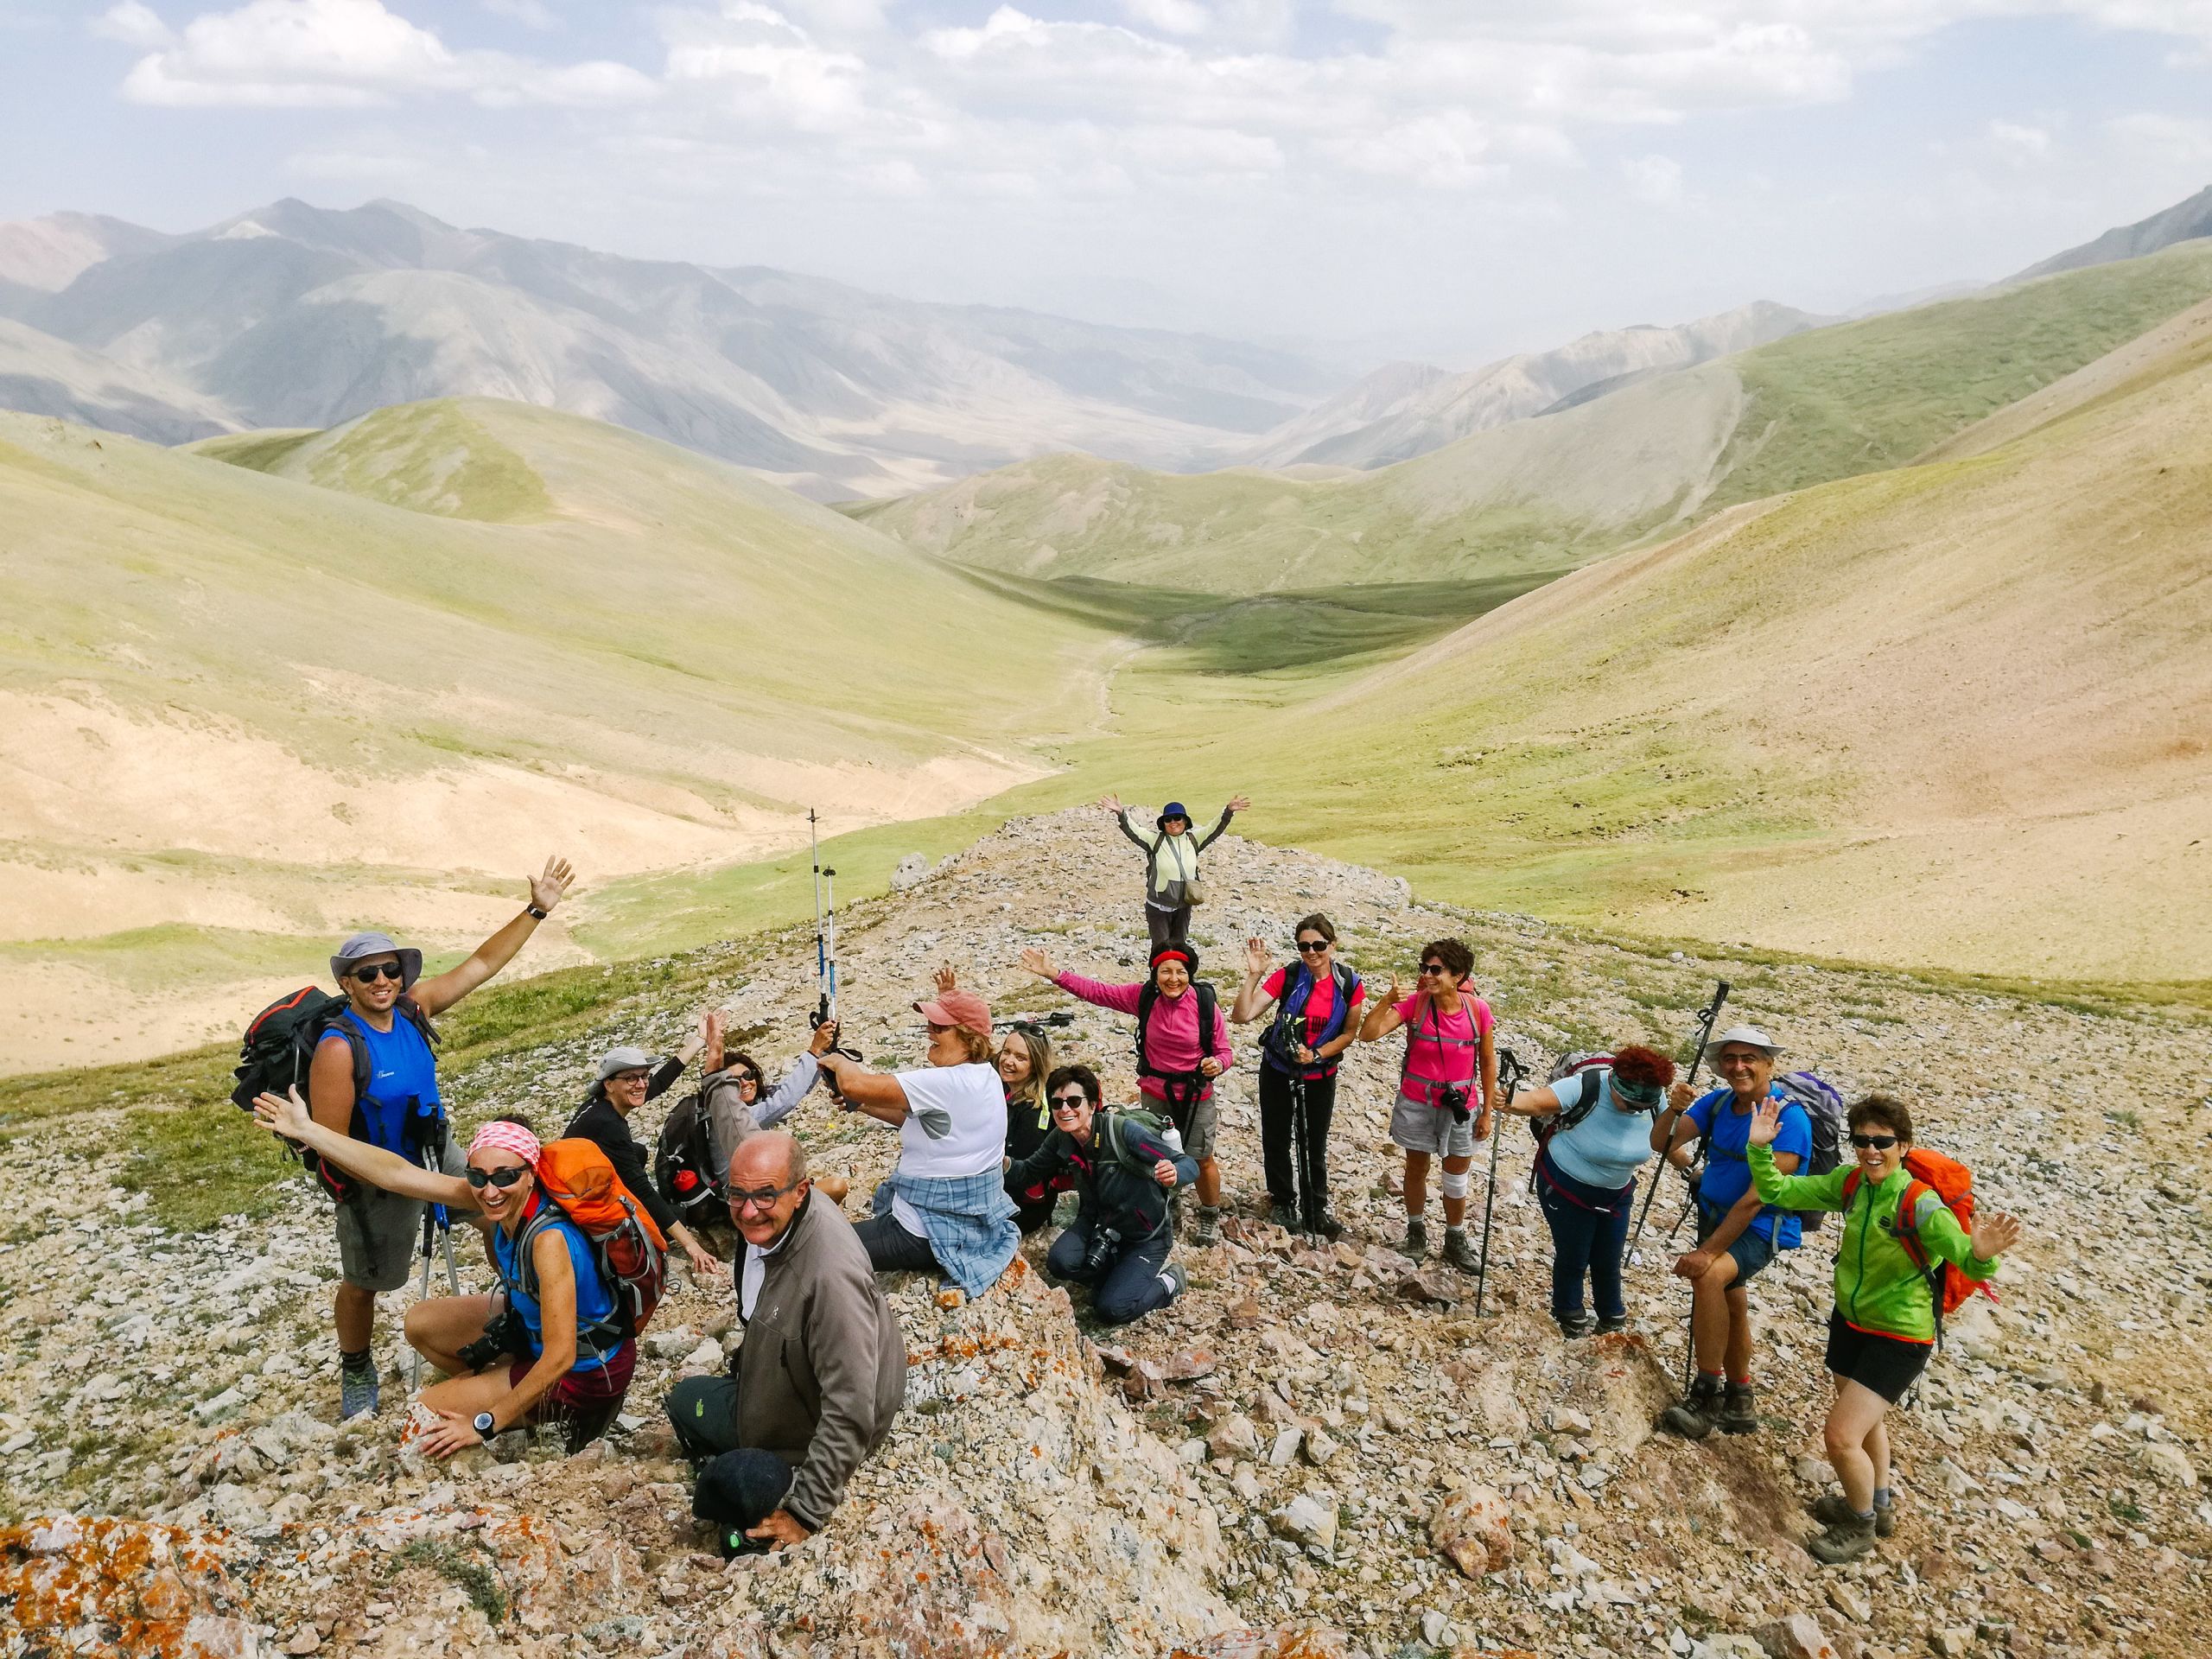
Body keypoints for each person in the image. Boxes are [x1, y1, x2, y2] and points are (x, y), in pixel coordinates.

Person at [309, 857, 575, 1420]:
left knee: (497, 1214)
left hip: (438, 1147)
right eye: (367, 974)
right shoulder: (338, 1048)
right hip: (376, 1176)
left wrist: (536, 910)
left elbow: (481, 963)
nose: (382, 981)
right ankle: (356, 1365)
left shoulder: (413, 1009)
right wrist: (394, 1180)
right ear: (346, 984)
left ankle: (520, 1310)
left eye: (389, 970)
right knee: (366, 1281)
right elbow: (331, 1141)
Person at [255, 1094, 635, 1453]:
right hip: (538, 1334)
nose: (490, 1191)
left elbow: (561, 1357)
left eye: (505, 1177)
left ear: (531, 1174)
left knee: (428, 1414)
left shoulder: (548, 1240)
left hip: (588, 1371)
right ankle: (513, 1392)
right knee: (421, 1323)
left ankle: (559, 1412)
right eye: (478, 1176)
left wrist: (484, 1424)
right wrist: (310, 1132)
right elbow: (396, 1174)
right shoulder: (497, 1198)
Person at [1745, 1094, 2018, 1563]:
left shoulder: (1920, 1203)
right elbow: (1778, 1193)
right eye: (1862, 1140)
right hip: (1851, 1323)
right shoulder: (1851, 1183)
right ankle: (1880, 1502)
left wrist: (1984, 1252)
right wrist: (1759, 1149)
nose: (1871, 1150)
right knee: (1865, 1422)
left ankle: (1860, 1523)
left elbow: (1966, 1258)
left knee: (1841, 1436)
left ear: (1904, 1145)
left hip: (1900, 1336)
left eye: (1883, 1142)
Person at [822, 971, 1018, 1308]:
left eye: (940, 1028)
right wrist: (864, 1106)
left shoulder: (947, 1083)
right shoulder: (985, 1076)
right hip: (960, 1223)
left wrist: (837, 1060)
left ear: (968, 1037)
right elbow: (924, 1123)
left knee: (820, 1246)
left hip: (921, 1231)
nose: (930, 1032)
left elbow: (854, 1083)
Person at [1652, 1024, 1811, 1440]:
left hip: (1760, 1225)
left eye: (1749, 1058)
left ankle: (1707, 1396)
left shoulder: (1789, 1119)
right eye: (1730, 1059)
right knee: (1732, 1300)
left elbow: (1757, 1199)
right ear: (1721, 1066)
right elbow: (1661, 1142)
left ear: (1769, 1064)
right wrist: (1673, 1109)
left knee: (1710, 1277)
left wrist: (1707, 1252)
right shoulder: (1718, 1104)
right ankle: (1741, 1400)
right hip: (1715, 1214)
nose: (1738, 1066)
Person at [1017, 942, 1235, 1246]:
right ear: (1155, 974)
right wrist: (1054, 973)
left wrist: (1218, 1063)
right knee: (1154, 1156)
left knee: (1200, 1158)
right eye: (1166, 971)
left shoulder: (1205, 1004)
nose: (1174, 979)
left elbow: (1225, 1051)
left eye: (1181, 972)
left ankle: (1209, 1213)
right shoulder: (1144, 998)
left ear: (1191, 974)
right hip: (1155, 1093)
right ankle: (1169, 1204)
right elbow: (1097, 992)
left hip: (1196, 1093)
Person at [1497, 1046, 1675, 1338]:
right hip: (1565, 1184)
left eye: (1641, 1106)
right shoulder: (1586, 1085)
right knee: (1574, 1254)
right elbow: (1538, 1102)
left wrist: (1692, 1172)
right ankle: (1569, 1311)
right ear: (1614, 1080)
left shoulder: (1654, 1099)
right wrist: (1509, 1101)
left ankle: (1611, 1314)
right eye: (1628, 1102)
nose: (1634, 1109)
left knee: (1608, 1256)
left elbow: (1666, 1139)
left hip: (1617, 1193)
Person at [1008, 1065, 1198, 1324]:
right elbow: (1027, 1172)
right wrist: (999, 1162)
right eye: (1057, 1102)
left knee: (1112, 1309)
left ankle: (1169, 1282)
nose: (1065, 1109)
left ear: (1093, 1104)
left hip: (1146, 1236)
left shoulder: (1121, 1131)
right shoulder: (1060, 1139)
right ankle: (1119, 1274)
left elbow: (1189, 1164)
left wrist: (1174, 1172)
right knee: (1060, 1262)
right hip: (1099, 1223)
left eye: (1074, 1101)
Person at [1358, 938, 1497, 1271]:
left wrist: (1488, 1113)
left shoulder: (1478, 1011)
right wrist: (1386, 1001)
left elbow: (1488, 1061)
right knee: (1417, 1168)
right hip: (1418, 1103)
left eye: (1436, 970)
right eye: (1425, 969)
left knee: (1456, 1174)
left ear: (1458, 975)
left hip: (1461, 1106)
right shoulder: (1415, 1005)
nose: (1428, 976)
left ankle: (1454, 1237)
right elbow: (1369, 1034)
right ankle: (1416, 1232)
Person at [1230, 917, 1364, 1238]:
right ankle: (1283, 1201)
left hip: (1320, 1072)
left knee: (1313, 1141)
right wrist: (1253, 975)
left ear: (1332, 945)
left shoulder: (1348, 983)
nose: (1311, 952)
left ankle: (1315, 1208)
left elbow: (1349, 1033)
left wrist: (1317, 1054)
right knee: (1276, 1136)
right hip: (1278, 1068)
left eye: (1318, 945)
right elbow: (1242, 1015)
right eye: (1304, 946)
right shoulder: (1288, 976)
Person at [565, 1027, 722, 1283]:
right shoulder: (608, 1125)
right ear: (609, 1083)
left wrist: (699, 1040)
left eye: (643, 1076)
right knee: (677, 1214)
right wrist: (691, 1245)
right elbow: (643, 1189)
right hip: (577, 1204)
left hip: (584, 1179)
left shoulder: (602, 1102)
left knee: (636, 1152)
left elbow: (659, 1083)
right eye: (631, 1078)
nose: (641, 1084)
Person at [693, 1014, 851, 1211]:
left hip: (761, 1187)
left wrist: (823, 1053)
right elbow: (785, 1101)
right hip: (746, 1199)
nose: (744, 1083)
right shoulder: (731, 1116)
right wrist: (814, 1051)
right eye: (734, 1082)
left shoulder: (750, 1105)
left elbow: (794, 1089)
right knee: (836, 1187)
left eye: (748, 1075)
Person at [1097, 792, 1248, 955]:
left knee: (1179, 948)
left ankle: (1178, 979)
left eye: (1177, 818)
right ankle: (1157, 979)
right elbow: (1134, 830)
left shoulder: (1194, 839)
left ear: (1185, 821)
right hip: (1158, 906)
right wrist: (1121, 813)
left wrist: (1228, 811)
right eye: (1168, 819)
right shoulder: (1155, 840)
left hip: (1184, 905)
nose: (1173, 822)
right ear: (1163, 823)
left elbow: (1215, 828)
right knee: (1160, 949)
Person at [996, 1021, 1066, 1234]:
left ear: (1035, 1065)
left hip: (1022, 1209)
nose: (1008, 1061)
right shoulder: (1008, 1089)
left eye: (1020, 1057)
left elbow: (1020, 1176)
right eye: (1006, 1052)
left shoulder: (1034, 1115)